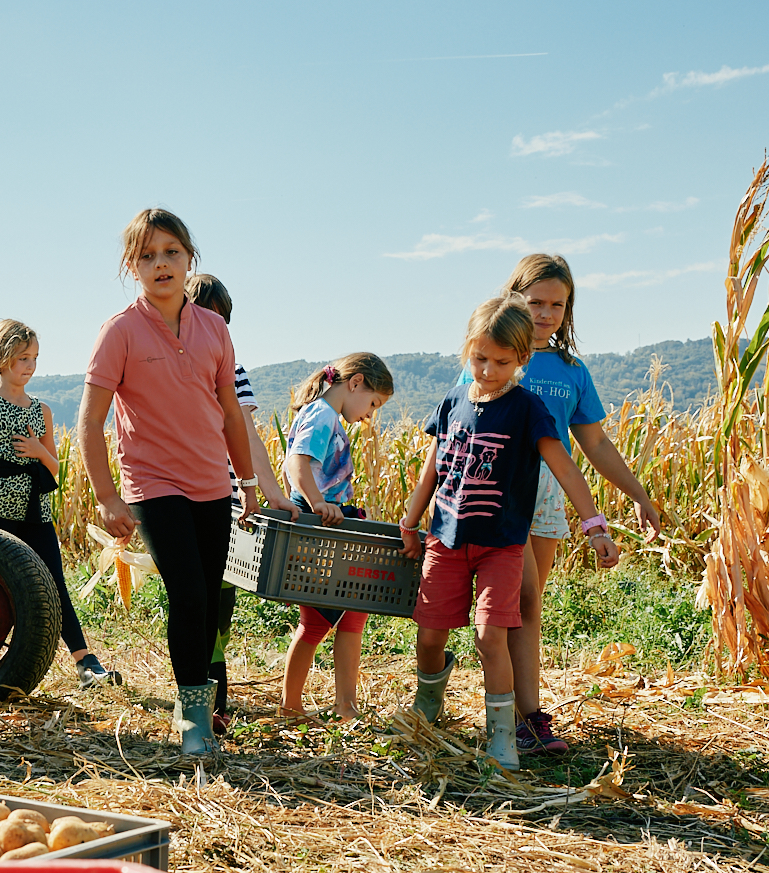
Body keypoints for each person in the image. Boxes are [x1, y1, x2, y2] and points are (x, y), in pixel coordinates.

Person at [398, 294, 619, 769]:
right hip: (445, 539)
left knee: (489, 636)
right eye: (479, 358)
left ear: (522, 358)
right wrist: (410, 522)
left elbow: (565, 468)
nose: (487, 370)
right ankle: (428, 706)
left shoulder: (527, 408)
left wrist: (594, 525)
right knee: (430, 636)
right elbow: (431, 469)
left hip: (502, 545)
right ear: (467, 352)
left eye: (500, 361)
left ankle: (502, 737)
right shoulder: (452, 403)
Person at [79, 209, 263, 755]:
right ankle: (193, 719)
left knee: (207, 599)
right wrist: (107, 496)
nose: (161, 263)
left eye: (171, 253)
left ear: (190, 260)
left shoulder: (214, 328)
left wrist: (248, 482)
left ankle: (203, 704)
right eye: (147, 255)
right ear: (131, 266)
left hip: (211, 481)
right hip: (152, 483)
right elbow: (91, 421)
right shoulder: (120, 331)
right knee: (186, 593)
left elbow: (231, 410)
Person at [500, 254, 662, 755]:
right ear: (514, 301)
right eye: (535, 303)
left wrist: (637, 494)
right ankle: (522, 716)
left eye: (557, 305)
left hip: (551, 493)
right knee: (519, 598)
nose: (545, 314)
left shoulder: (572, 370)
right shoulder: (495, 356)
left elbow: (594, 445)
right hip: (500, 487)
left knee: (528, 605)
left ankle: (516, 715)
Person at [0, 319, 119, 687]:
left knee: (54, 585)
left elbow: (56, 468)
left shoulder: (41, 409)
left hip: (36, 511)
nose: (29, 367)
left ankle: (86, 663)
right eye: (21, 359)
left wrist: (38, 451)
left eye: (33, 358)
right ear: (0, 358)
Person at [186, 273, 290, 734]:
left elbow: (246, 435)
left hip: (222, 500)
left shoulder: (232, 372)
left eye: (222, 321)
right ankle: (193, 699)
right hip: (179, 495)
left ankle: (216, 699)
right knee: (194, 603)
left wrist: (268, 492)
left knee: (217, 604)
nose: (215, 328)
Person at [279, 352, 394, 719]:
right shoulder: (322, 414)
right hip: (321, 528)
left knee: (348, 616)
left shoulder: (322, 414)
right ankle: (296, 707)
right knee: (319, 621)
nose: (369, 415)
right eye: (372, 403)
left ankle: (343, 706)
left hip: (334, 524)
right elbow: (296, 463)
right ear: (356, 382)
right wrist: (317, 502)